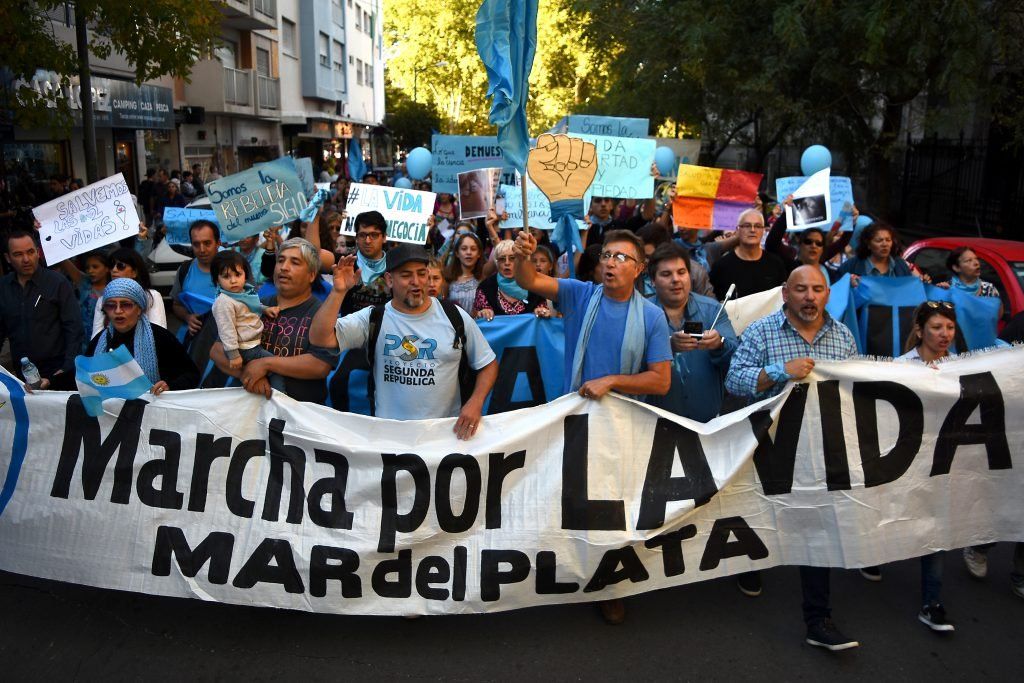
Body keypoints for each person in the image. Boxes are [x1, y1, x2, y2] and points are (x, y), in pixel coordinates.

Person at [513, 227, 671, 626]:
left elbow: (661, 380)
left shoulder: (652, 317)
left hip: (624, 427)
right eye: (606, 256)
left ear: (639, 269)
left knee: (614, 509)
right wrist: (525, 254)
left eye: (621, 258)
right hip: (577, 419)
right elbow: (528, 280)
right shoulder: (580, 294)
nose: (610, 263)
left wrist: (613, 380)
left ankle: (610, 587)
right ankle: (567, 574)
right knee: (570, 498)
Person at [724, 265, 859, 651]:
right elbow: (735, 380)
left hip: (821, 449)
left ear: (827, 295)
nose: (809, 297)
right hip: (770, 446)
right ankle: (750, 565)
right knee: (764, 513)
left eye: (817, 289)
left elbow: (856, 388)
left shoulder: (843, 336)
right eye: (801, 289)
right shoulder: (762, 332)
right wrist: (779, 371)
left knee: (816, 524)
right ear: (786, 293)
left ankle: (818, 619)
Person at [309, 243, 498, 436]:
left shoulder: (454, 316)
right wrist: (338, 292)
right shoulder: (373, 318)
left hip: (444, 438)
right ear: (389, 280)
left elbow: (488, 364)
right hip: (390, 439)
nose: (416, 281)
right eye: (406, 275)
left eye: (422, 273)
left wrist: (475, 403)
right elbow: (319, 339)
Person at [210, 238, 335, 403]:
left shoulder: (321, 313)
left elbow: (320, 365)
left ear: (311, 275)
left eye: (295, 262)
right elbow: (217, 351)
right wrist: (250, 375)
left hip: (298, 415)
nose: (284, 267)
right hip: (248, 411)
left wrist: (266, 365)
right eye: (280, 260)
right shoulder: (254, 303)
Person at [647, 243, 738, 421]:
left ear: (690, 275)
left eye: (681, 272)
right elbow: (630, 363)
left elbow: (737, 359)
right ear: (652, 281)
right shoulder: (641, 312)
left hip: (708, 424)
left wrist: (719, 344)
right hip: (656, 426)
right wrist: (667, 346)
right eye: (666, 274)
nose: (676, 279)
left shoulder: (711, 309)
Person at [87, 278, 199, 394]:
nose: (118, 311)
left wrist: (169, 386)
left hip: (149, 408)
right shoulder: (99, 341)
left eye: (126, 305)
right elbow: (80, 378)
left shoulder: (160, 337)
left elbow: (191, 375)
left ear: (139, 308)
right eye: (111, 306)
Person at [0, 230, 82, 390]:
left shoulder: (57, 283)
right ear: (8, 258)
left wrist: (66, 368)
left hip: (58, 372)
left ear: (38, 253)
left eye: (30, 252)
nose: (26, 259)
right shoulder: (3, 287)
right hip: (23, 373)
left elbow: (74, 328)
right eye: (18, 254)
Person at [210, 250, 284, 390]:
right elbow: (227, 330)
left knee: (251, 379)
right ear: (217, 280)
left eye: (238, 274)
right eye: (226, 276)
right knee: (275, 367)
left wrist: (265, 309)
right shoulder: (223, 302)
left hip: (251, 344)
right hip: (245, 348)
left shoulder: (244, 292)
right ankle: (281, 399)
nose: (233, 280)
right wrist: (234, 355)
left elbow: (250, 306)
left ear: (245, 274)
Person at [709, 209, 789, 300]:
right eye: (747, 226)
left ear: (763, 230)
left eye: (758, 226)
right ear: (737, 230)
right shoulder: (721, 266)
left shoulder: (776, 264)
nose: (752, 230)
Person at [92, 247, 167, 336]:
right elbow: (96, 337)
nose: (114, 270)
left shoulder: (151, 296)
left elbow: (159, 333)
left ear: (134, 272)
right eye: (112, 265)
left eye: (121, 266)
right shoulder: (102, 300)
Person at [170, 220, 222, 337]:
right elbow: (176, 305)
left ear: (218, 243)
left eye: (207, 243)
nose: (202, 249)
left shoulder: (235, 269)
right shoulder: (184, 270)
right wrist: (188, 317)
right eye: (196, 244)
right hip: (194, 343)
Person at [473, 240, 548, 320]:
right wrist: (482, 313)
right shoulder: (485, 287)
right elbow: (476, 320)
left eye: (512, 258)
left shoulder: (533, 285)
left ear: (519, 260)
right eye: (502, 259)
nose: (507, 263)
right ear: (496, 263)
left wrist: (541, 312)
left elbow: (544, 313)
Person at [838, 223, 917, 279]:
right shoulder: (851, 266)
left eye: (888, 240)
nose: (884, 244)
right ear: (868, 244)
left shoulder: (900, 264)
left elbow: (909, 290)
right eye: (879, 240)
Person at [444, 231, 485, 314]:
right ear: (457, 253)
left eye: (473, 249)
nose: (468, 252)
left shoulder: (484, 278)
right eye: (464, 249)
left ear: (479, 254)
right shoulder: (447, 278)